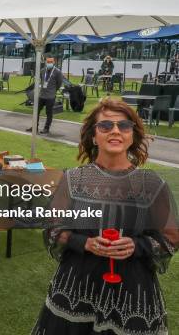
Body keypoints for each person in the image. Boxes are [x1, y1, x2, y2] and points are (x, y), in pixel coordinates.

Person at [32, 99, 178, 335]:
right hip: (76, 286)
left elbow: (171, 236)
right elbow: (52, 228)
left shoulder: (152, 184)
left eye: (124, 126)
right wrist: (84, 242)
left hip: (133, 291)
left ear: (132, 135)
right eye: (106, 126)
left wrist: (136, 245)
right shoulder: (73, 180)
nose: (116, 131)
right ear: (93, 136)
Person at [26, 56, 64, 135]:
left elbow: (59, 83)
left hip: (50, 96)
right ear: (46, 62)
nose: (49, 63)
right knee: (36, 111)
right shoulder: (43, 70)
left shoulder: (57, 72)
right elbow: (40, 79)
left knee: (49, 113)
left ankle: (46, 128)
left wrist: (53, 90)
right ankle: (34, 127)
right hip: (42, 95)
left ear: (53, 63)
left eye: (51, 62)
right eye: (48, 62)